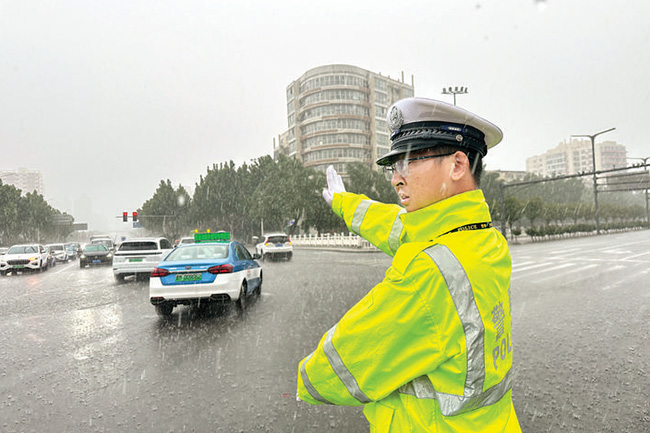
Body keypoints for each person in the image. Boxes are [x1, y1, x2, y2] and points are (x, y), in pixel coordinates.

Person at [297, 97, 521, 432]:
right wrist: (346, 204)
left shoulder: (428, 276)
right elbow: (399, 227)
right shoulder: (481, 238)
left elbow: (334, 371)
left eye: (409, 161)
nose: (395, 179)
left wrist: (303, 378)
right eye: (393, 166)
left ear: (457, 165)